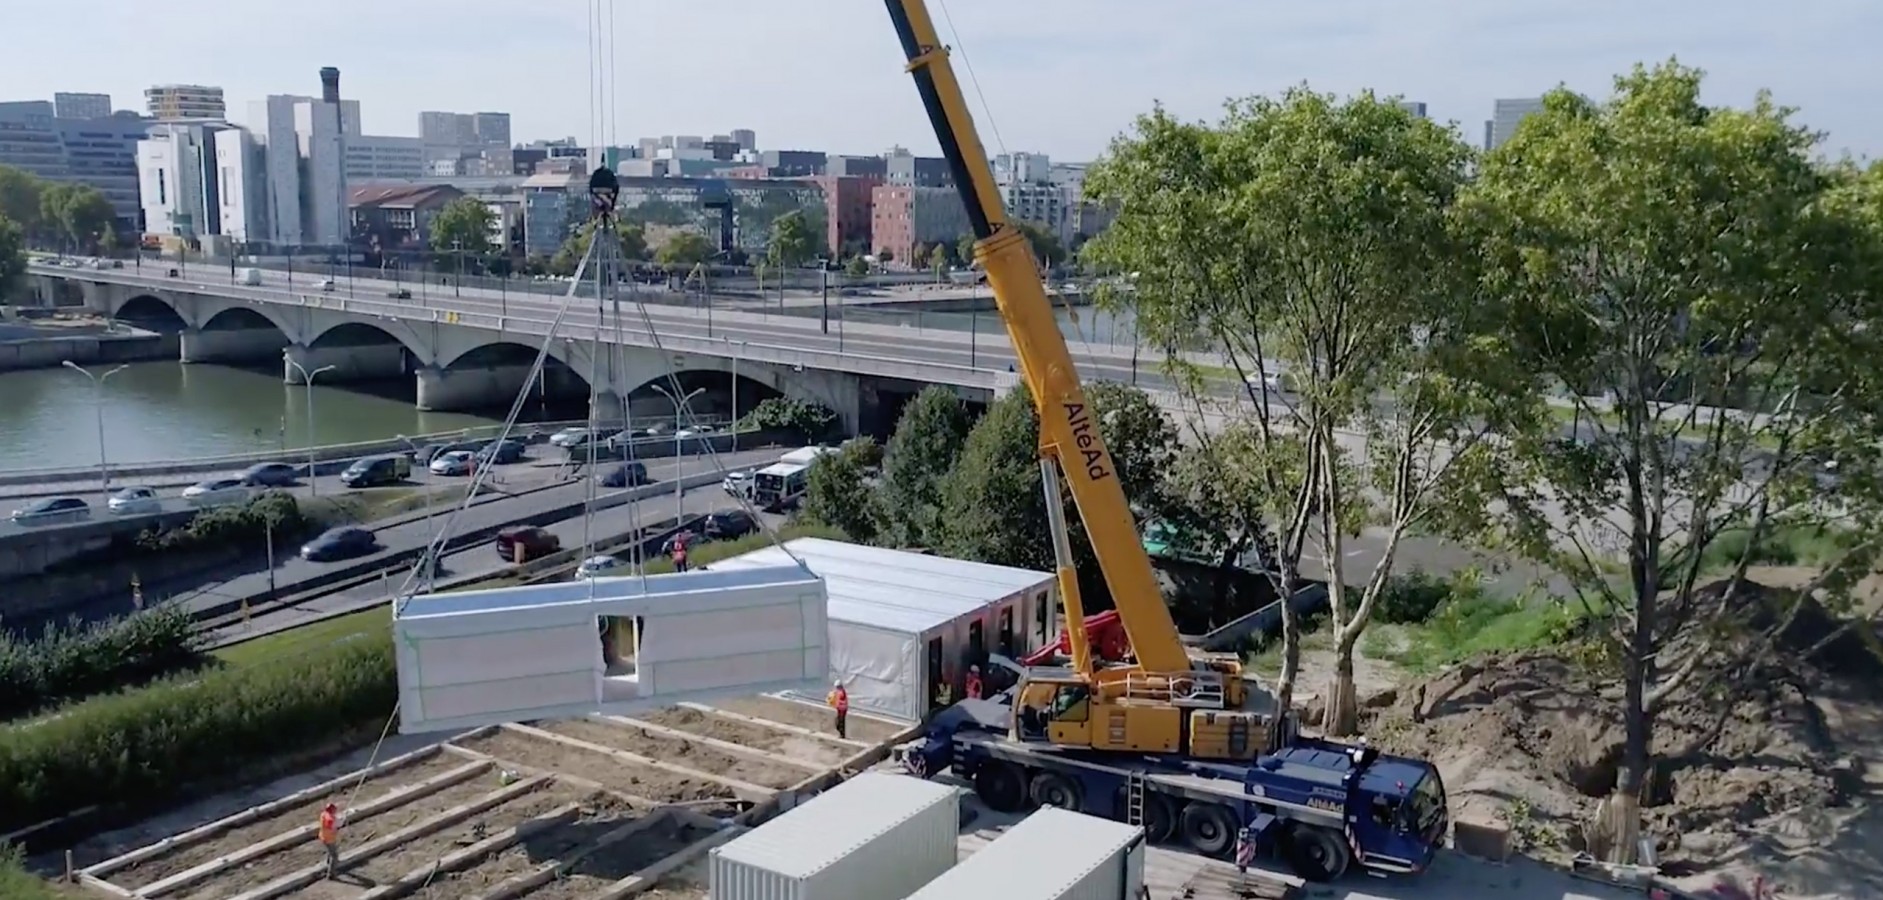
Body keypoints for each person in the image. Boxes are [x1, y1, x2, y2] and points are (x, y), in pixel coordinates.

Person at [318, 803, 341, 879]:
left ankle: (329, 865)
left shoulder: (323, 814)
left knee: (330, 852)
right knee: (334, 856)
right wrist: (339, 822)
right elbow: (333, 826)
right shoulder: (331, 820)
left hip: (323, 836)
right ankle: (331, 874)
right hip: (329, 839)